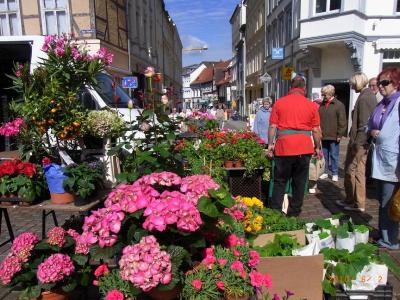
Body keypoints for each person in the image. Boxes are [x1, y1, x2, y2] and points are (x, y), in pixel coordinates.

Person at [267, 75, 321, 216]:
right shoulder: (311, 105)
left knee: (280, 181)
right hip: (303, 148)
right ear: (304, 88)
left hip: (284, 147)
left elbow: (273, 126)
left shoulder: (280, 103)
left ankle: (276, 212)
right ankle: (294, 212)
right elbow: (316, 130)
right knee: (299, 182)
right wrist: (317, 147)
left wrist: (270, 145)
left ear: (291, 87)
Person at [368, 67, 400, 250]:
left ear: (396, 83)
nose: (380, 86)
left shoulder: (398, 102)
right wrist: (371, 131)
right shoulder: (383, 104)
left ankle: (390, 239)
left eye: (385, 82)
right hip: (380, 159)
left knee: (390, 202)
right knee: (382, 199)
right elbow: (370, 124)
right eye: (379, 82)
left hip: (392, 161)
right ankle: (383, 232)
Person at [337, 72, 377, 212]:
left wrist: (356, 144)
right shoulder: (367, 96)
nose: (351, 86)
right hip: (363, 141)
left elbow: (364, 124)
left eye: (353, 83)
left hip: (360, 142)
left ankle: (353, 201)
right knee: (359, 171)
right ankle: (359, 203)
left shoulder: (365, 97)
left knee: (350, 170)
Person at [318, 85, 347, 182]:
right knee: (324, 155)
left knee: (334, 155)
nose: (323, 96)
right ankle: (325, 172)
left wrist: (340, 134)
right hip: (323, 135)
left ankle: (335, 173)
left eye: (324, 94)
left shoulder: (339, 105)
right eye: (323, 94)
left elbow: (342, 121)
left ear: (330, 94)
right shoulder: (322, 105)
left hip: (334, 135)